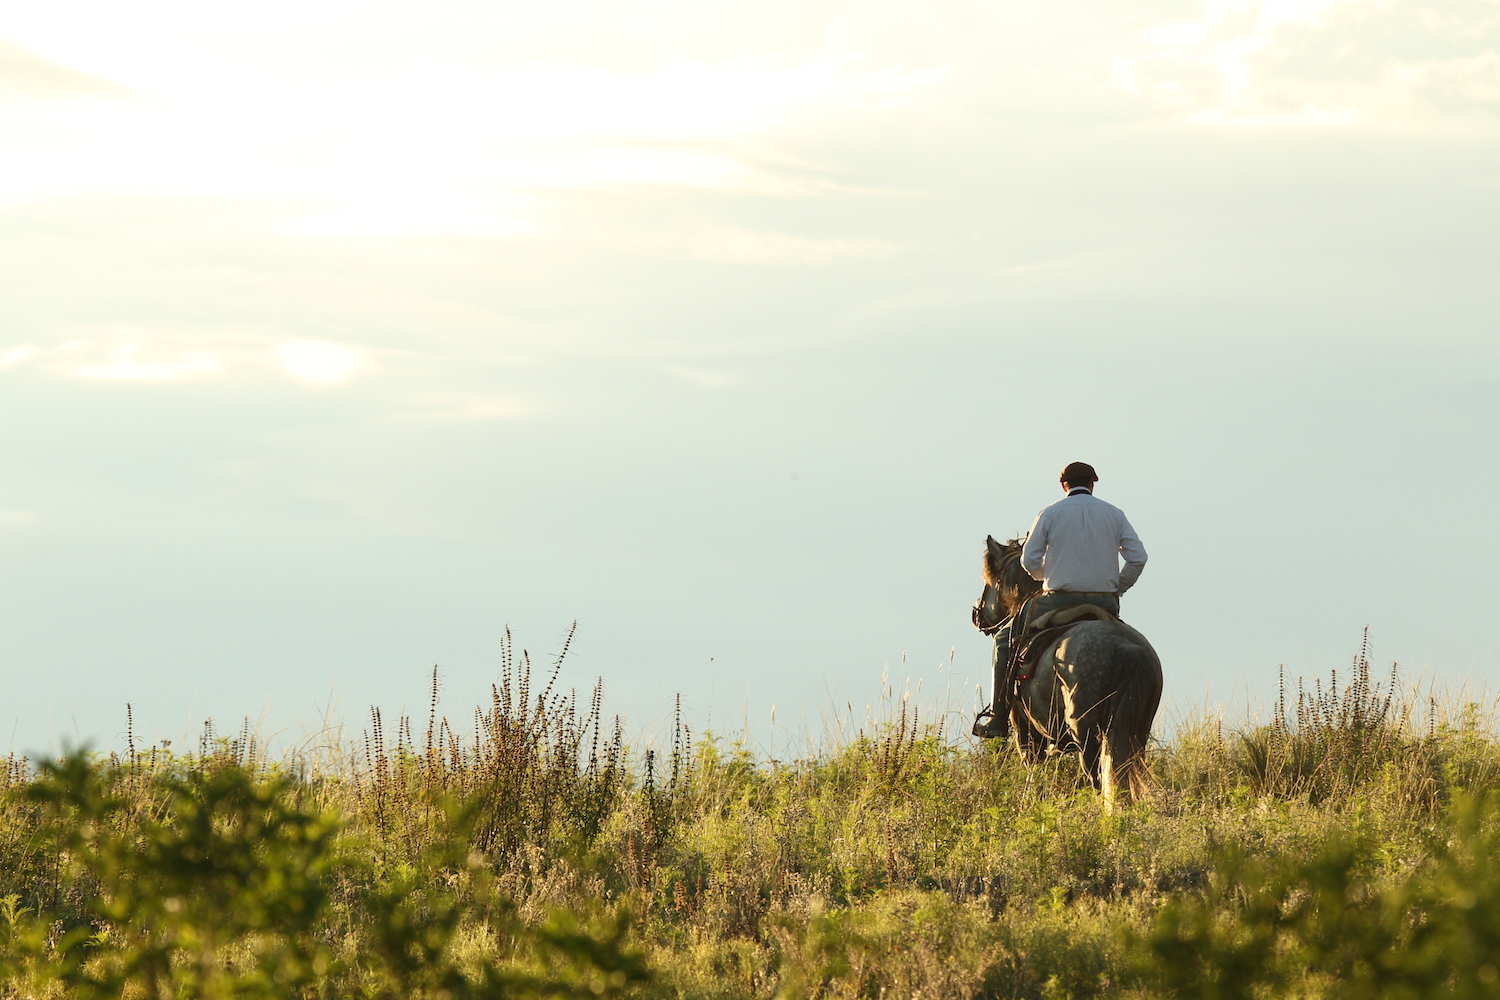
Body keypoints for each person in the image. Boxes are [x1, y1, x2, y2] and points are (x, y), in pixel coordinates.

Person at [974, 461, 1147, 739]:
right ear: (1092, 483)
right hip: (1105, 603)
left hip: (1058, 600)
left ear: (1064, 485)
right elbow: (1138, 557)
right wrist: (1117, 587)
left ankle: (998, 717)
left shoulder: (1050, 513)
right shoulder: (1114, 514)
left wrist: (1048, 575)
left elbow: (1028, 560)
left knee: (1004, 641)